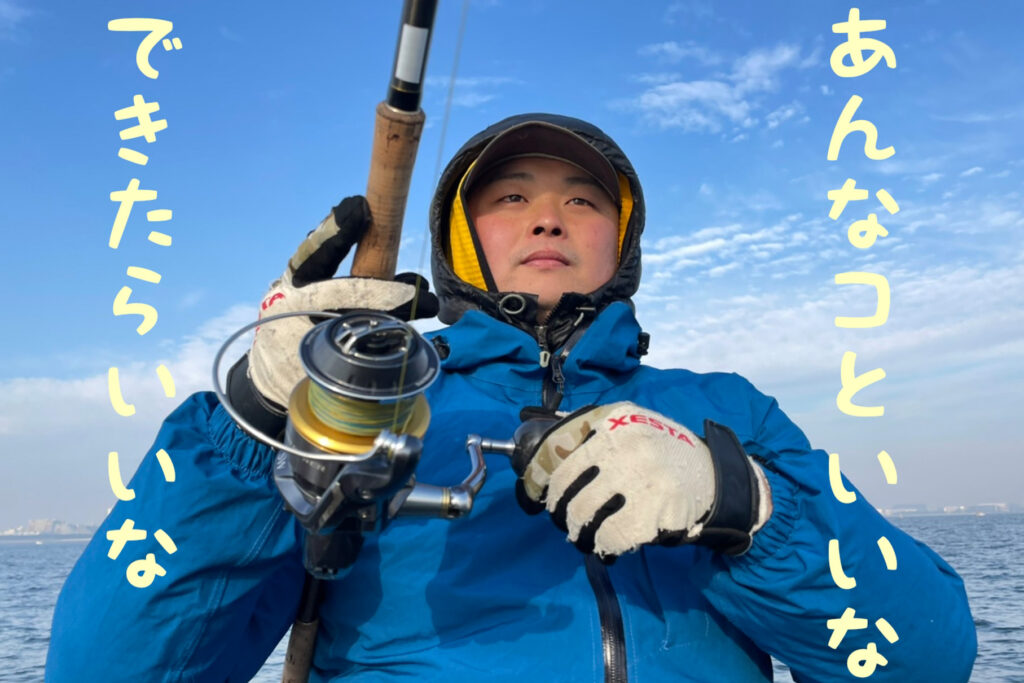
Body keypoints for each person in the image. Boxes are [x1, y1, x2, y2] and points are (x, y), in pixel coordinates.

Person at [47, 114, 976, 681]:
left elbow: (924, 659)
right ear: (460, 240)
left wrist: (742, 503)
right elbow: (109, 667)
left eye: (584, 200)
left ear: (622, 242)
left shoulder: (729, 410)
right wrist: (258, 420)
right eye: (510, 197)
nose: (547, 217)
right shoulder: (371, 407)